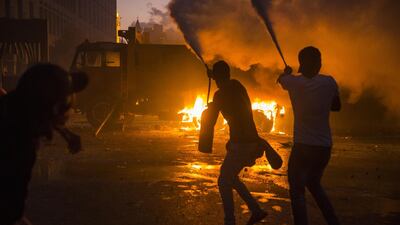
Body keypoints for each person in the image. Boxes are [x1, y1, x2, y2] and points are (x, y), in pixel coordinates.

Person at [0, 64, 88, 225]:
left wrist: (66, 134)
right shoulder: (19, 148)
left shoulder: (12, 108)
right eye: (63, 108)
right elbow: (11, 214)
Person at [278, 46, 341, 225]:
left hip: (304, 146)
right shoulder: (329, 82)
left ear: (302, 64)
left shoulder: (293, 82)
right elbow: (336, 106)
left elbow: (281, 79)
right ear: (319, 63)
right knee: (314, 184)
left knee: (297, 190)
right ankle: (333, 221)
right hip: (324, 147)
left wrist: (287, 72)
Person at [205, 60, 268, 225]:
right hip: (249, 139)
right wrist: (214, 75)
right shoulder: (237, 86)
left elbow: (211, 121)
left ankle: (229, 221)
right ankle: (256, 210)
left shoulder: (219, 95)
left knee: (223, 180)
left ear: (217, 77)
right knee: (231, 177)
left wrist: (210, 108)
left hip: (241, 143)